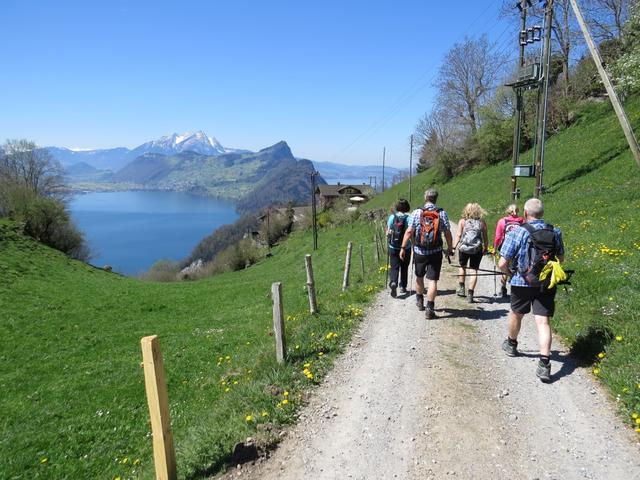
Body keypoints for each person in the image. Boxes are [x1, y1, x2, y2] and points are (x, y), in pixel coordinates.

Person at [498, 198, 565, 383]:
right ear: (542, 213)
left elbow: (502, 263)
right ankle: (544, 364)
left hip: (521, 281)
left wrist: (510, 273)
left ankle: (511, 344)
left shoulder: (518, 232)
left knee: (517, 314)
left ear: (525, 214)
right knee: (543, 322)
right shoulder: (555, 232)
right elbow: (560, 258)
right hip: (546, 283)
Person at [399, 188, 453, 319]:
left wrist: (403, 247)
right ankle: (430, 308)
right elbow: (447, 233)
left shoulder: (417, 212)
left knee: (419, 277)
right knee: (433, 280)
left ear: (425, 198)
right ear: (436, 198)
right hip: (435, 252)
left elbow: (409, 231)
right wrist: (450, 248)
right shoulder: (441, 213)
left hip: (419, 251)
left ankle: (419, 301)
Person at [453, 203, 488, 303]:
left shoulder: (462, 221)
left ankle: (461, 289)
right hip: (476, 249)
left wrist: (453, 247)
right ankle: (470, 294)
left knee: (462, 267)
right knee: (474, 271)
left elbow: (458, 235)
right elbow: (485, 237)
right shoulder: (481, 222)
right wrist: (485, 248)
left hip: (464, 248)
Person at [494, 204, 525, 297]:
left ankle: (503, 288)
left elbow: (498, 237)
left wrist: (495, 248)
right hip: (519, 249)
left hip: (506, 247)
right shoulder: (522, 221)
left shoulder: (502, 221)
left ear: (507, 211)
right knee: (516, 268)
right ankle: (517, 290)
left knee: (504, 267)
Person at [385, 199, 411, 298]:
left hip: (393, 247)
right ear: (407, 207)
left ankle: (393, 282)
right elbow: (410, 233)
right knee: (404, 267)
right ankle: (403, 286)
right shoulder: (409, 218)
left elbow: (388, 232)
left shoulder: (392, 217)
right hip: (406, 247)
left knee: (394, 267)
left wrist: (389, 237)